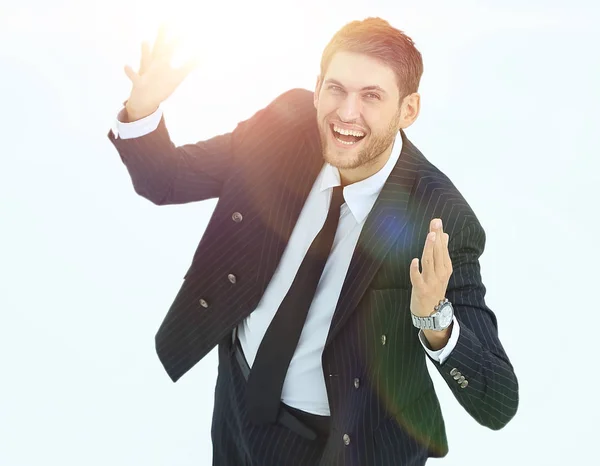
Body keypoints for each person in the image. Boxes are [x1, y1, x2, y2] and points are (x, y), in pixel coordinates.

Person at [107, 17, 518, 466]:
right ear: (318, 86)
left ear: (409, 110)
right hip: (237, 402)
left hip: (342, 446)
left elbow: (497, 403)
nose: (345, 112)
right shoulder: (283, 128)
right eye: (336, 89)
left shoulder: (440, 220)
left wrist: (434, 322)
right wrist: (142, 108)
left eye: (372, 96)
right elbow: (167, 180)